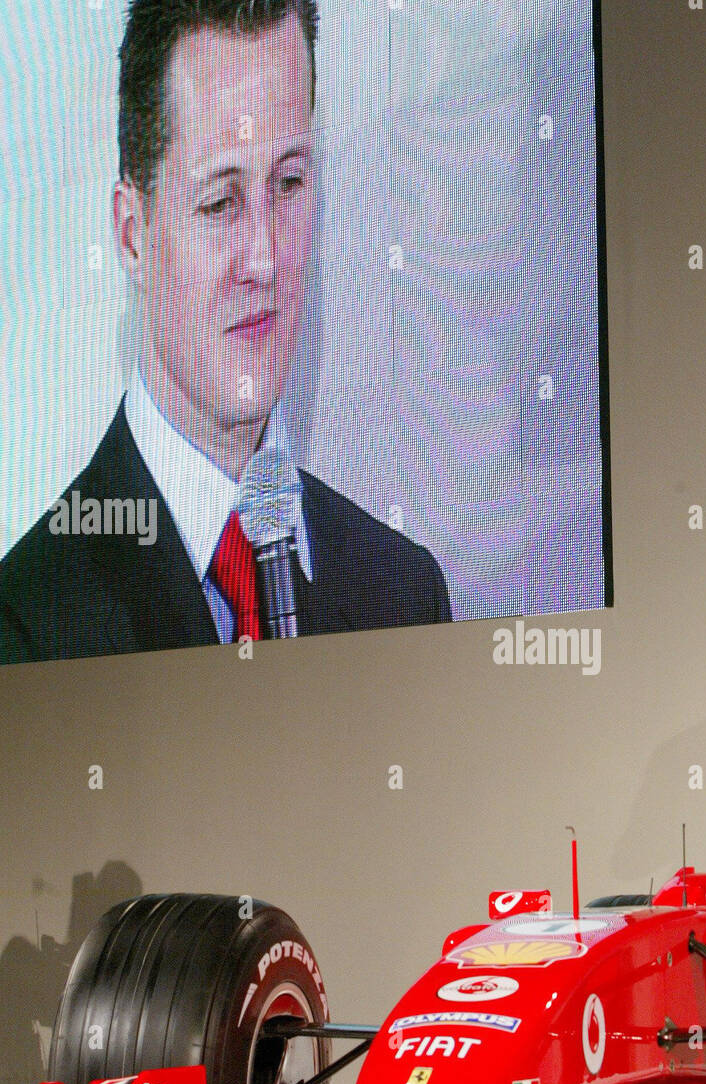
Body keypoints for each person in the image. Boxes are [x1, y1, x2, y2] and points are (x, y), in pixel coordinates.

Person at [0, 0, 449, 665]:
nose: (266, 259)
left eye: (288, 182)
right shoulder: (27, 630)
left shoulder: (404, 596)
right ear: (133, 234)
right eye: (220, 201)